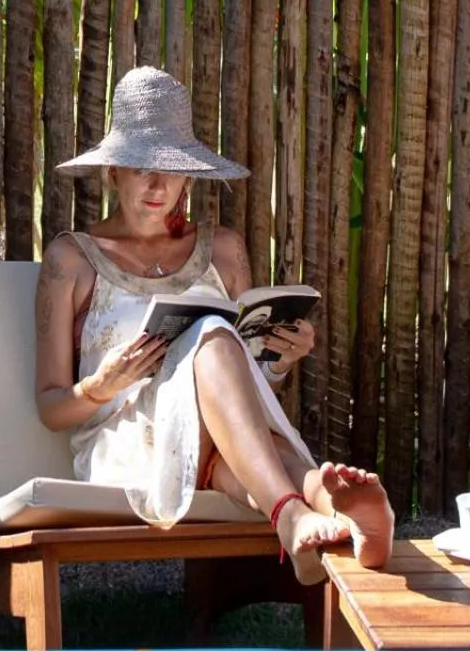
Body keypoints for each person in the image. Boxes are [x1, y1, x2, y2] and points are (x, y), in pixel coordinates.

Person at [35, 66, 395, 586]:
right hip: (126, 444)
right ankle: (310, 496)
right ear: (112, 171)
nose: (158, 186)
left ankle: (308, 510)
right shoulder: (70, 259)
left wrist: (278, 362)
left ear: (189, 176)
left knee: (217, 345)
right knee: (211, 338)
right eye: (141, 167)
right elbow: (50, 408)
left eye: (172, 169)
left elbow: (242, 382)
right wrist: (99, 386)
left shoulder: (222, 250)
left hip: (213, 438)